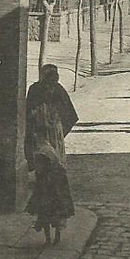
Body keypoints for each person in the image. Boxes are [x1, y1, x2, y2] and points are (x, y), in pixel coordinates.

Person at [24, 65, 78, 244]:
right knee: (45, 179)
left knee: (55, 177)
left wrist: (59, 131)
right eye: (49, 81)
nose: (51, 86)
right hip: (42, 139)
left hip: (52, 138)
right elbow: (27, 118)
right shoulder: (35, 91)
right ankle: (48, 224)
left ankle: (54, 226)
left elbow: (71, 115)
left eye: (53, 81)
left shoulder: (56, 91)